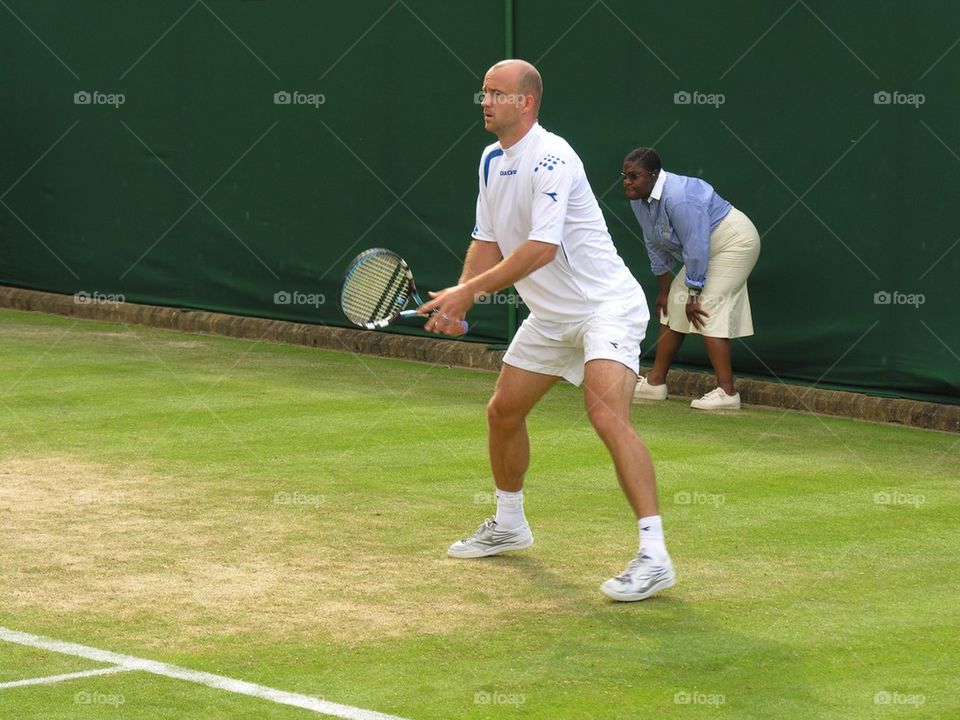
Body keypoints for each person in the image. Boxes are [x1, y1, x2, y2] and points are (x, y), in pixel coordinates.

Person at [419, 59, 674, 602]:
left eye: (496, 94)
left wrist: (469, 292)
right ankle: (509, 523)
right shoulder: (491, 160)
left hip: (604, 306)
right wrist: (462, 301)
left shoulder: (554, 156)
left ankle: (654, 557)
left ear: (526, 102)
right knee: (502, 411)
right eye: (482, 93)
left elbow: (542, 248)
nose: (484, 102)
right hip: (552, 317)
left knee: (608, 417)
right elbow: (486, 240)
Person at [623, 148, 761, 410]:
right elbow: (653, 243)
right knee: (675, 303)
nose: (627, 182)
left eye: (634, 176)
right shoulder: (637, 200)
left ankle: (727, 392)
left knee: (706, 306)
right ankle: (655, 384)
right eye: (624, 176)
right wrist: (664, 290)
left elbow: (695, 245)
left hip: (734, 242)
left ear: (653, 175)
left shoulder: (678, 198)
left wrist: (694, 294)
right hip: (706, 249)